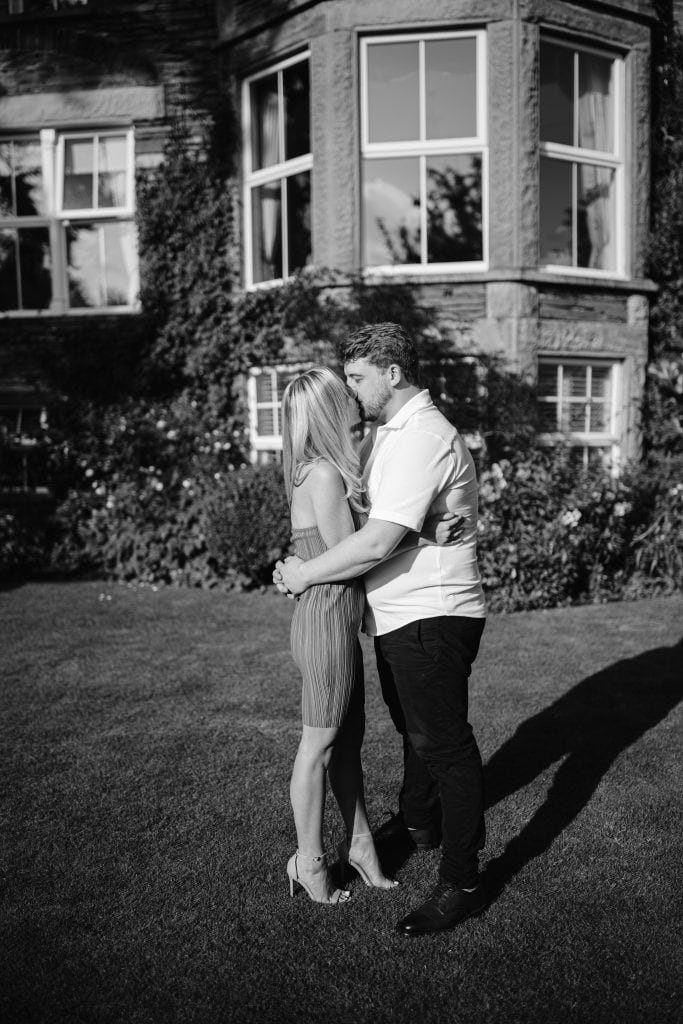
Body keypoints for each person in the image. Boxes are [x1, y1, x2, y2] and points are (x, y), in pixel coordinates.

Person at [276, 323, 488, 935]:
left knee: (435, 744)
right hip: (366, 616)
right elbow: (365, 536)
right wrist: (307, 571)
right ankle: (355, 845)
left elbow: (376, 539)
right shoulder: (378, 442)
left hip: (426, 612)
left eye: (359, 378)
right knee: (371, 738)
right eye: (343, 384)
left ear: (392, 374)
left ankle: (457, 876)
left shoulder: (418, 435)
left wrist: (303, 570)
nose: (351, 390)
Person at [280, 366, 397, 904]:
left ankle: (362, 846)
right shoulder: (323, 476)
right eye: (343, 393)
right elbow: (353, 558)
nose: (355, 398)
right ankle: (309, 863)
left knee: (346, 745)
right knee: (319, 747)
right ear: (329, 409)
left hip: (329, 619)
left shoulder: (313, 469)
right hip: (328, 622)